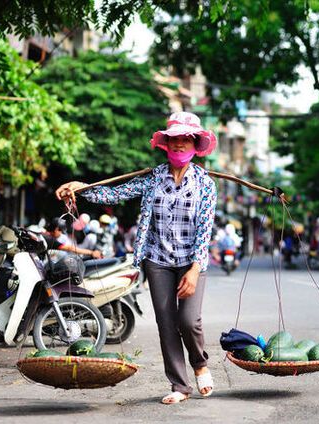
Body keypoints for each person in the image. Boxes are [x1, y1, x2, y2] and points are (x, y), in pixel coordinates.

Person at [55, 111, 218, 404]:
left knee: (189, 320)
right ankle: (180, 386)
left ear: (195, 145)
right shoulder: (153, 178)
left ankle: (200, 363)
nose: (179, 145)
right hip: (157, 260)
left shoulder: (206, 184)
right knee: (166, 323)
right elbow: (115, 195)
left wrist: (194, 269)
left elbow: (204, 230)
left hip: (191, 261)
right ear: (166, 145)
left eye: (185, 139)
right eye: (174, 140)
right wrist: (82, 188)